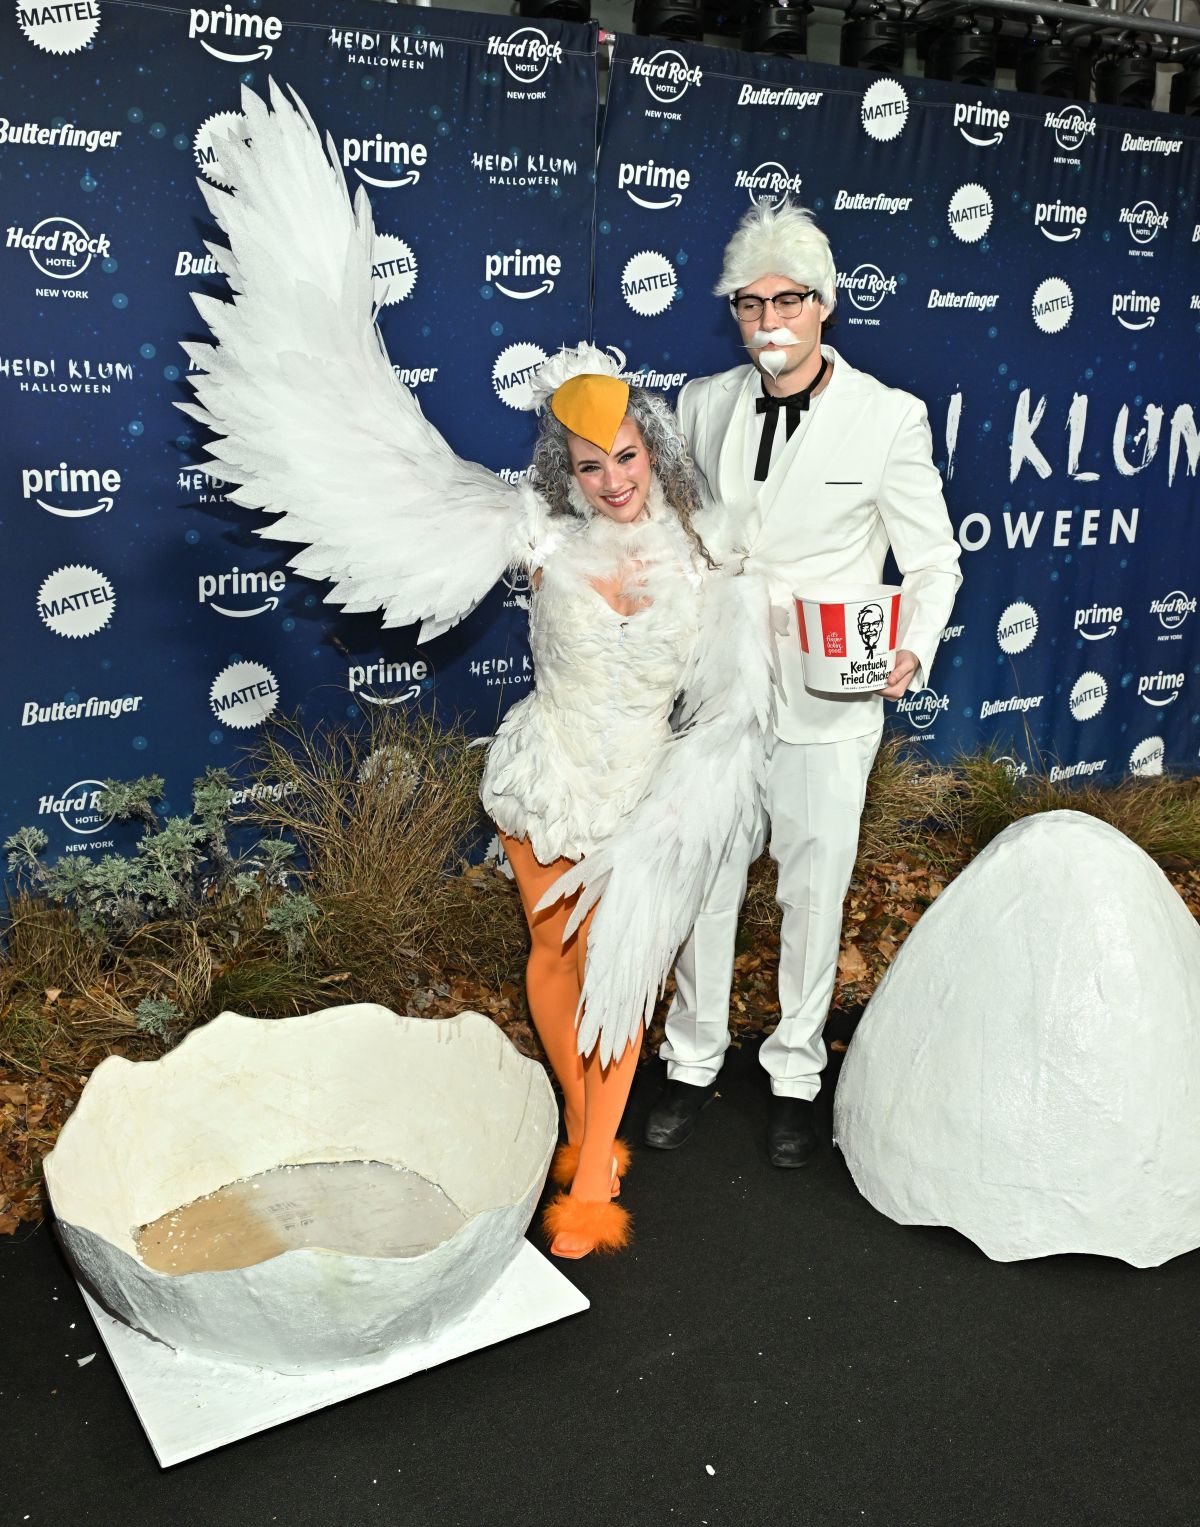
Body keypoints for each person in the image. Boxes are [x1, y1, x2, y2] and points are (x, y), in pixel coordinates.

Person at [179, 85, 770, 1260]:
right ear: (568, 464)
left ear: (657, 447)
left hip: (647, 788)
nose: (615, 480)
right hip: (551, 772)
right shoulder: (533, 530)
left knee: (630, 966)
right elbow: (374, 460)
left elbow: (740, 683)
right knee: (558, 958)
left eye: (631, 455)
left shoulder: (712, 552)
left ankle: (595, 1158)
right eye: (592, 462)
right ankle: (580, 1116)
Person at [644, 202, 963, 1167]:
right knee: (705, 879)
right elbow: (675, 535)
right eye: (749, 304)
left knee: (814, 888)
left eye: (787, 300)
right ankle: (690, 1058)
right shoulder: (701, 404)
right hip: (718, 692)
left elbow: (935, 560)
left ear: (824, 305)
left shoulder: (886, 416)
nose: (768, 320)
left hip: (831, 695)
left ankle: (795, 1072)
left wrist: (913, 645)